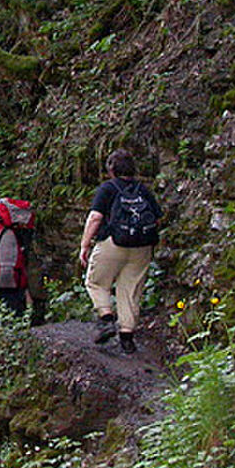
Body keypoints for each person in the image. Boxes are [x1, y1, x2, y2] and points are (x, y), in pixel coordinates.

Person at [78, 148, 163, 354]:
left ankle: (106, 318)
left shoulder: (108, 188)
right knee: (130, 290)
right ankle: (127, 337)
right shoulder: (143, 190)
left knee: (96, 282)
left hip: (113, 243)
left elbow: (95, 217)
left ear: (111, 169)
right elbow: (158, 218)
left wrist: (85, 245)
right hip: (142, 247)